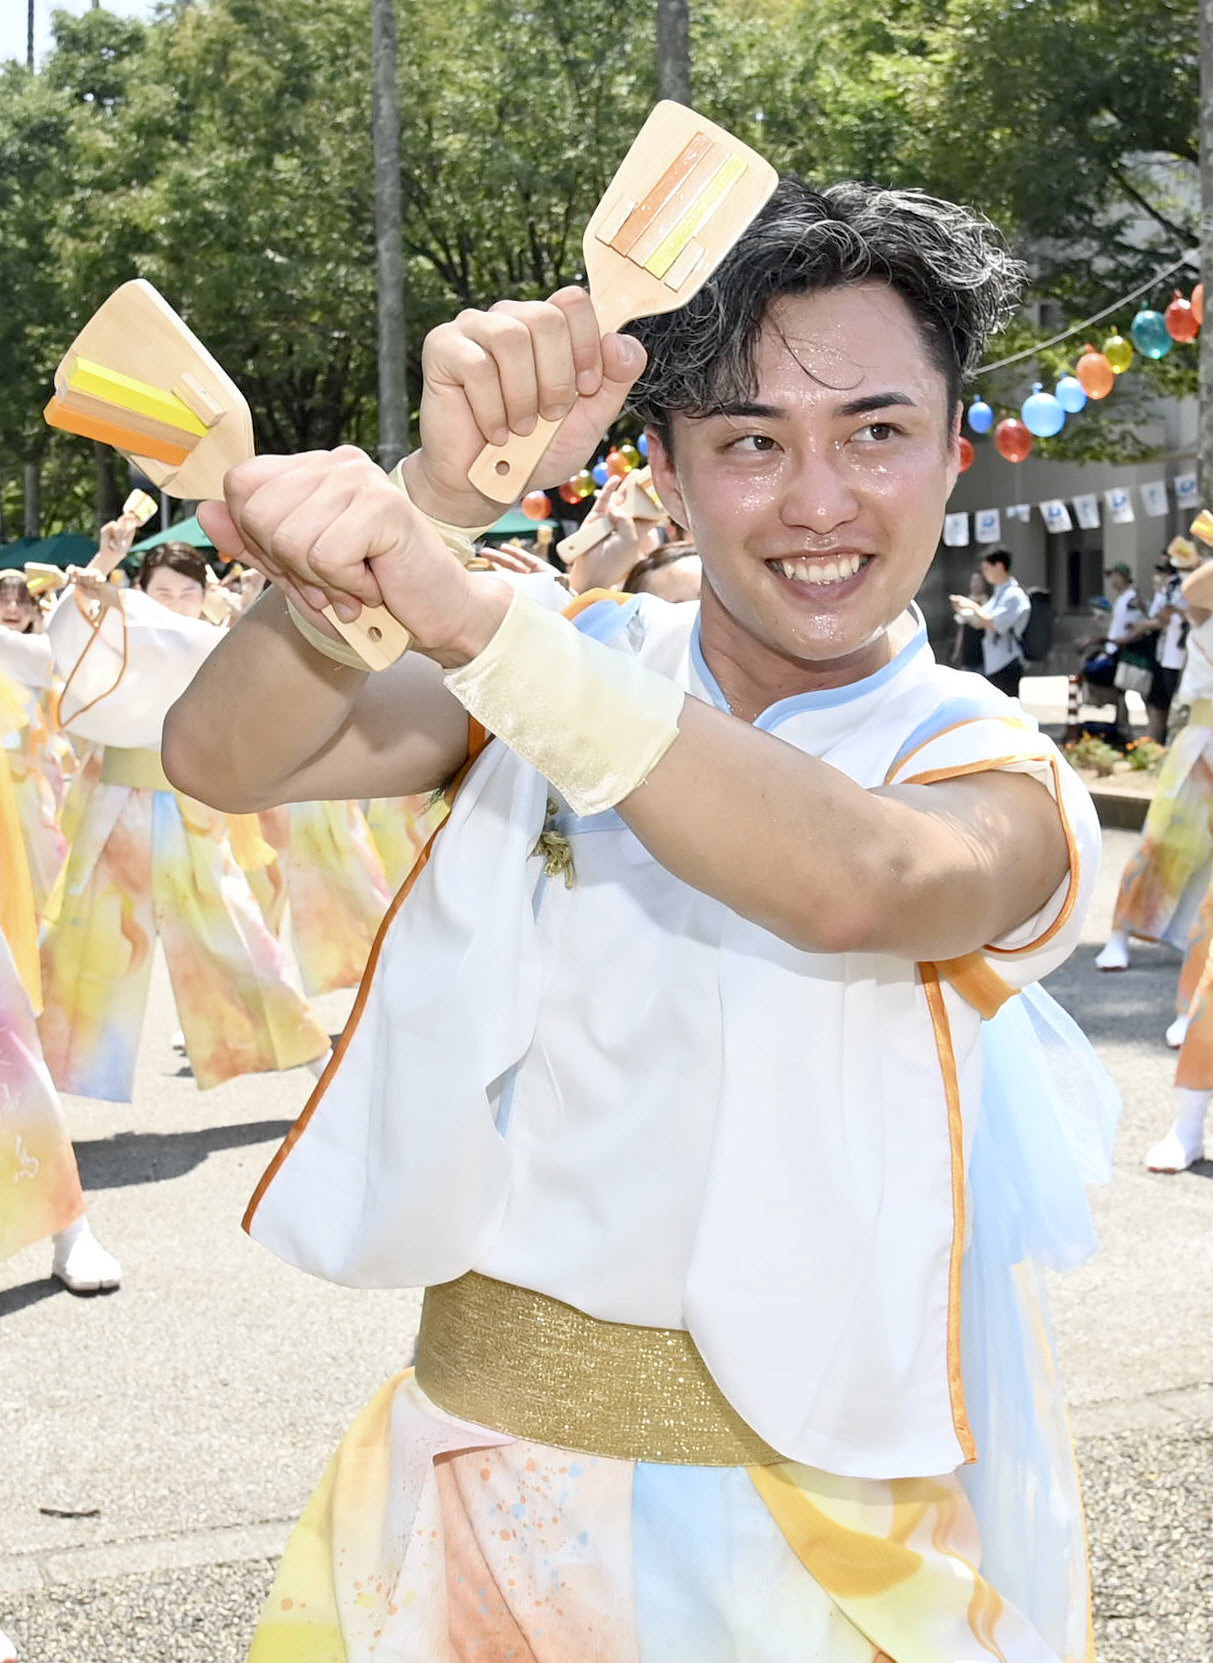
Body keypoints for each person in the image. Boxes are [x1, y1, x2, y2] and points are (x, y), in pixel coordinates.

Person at [164, 178, 1110, 1663]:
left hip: (807, 1549)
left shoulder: (987, 759)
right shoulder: (578, 654)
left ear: (951, 449)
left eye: (875, 431)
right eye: (750, 440)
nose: (818, 502)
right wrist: (434, 497)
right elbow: (223, 756)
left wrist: (476, 621)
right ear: (661, 466)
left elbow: (869, 880)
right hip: (467, 1487)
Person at [37, 528, 331, 1104]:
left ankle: (308, 1053)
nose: (173, 604)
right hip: (115, 808)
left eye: (185, 592)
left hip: (188, 808)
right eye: (161, 593)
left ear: (204, 594)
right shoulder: (122, 631)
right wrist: (105, 563)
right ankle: (41, 1080)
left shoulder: (219, 642)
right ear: (141, 591)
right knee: (80, 940)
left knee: (232, 930)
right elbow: (66, 636)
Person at [1096, 541, 1213, 972]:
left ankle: (1192, 936)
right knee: (1164, 837)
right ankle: (1121, 933)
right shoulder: (1204, 611)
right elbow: (1196, 590)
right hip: (1203, 739)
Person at [948, 546, 1029, 696]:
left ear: (999, 566)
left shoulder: (1013, 594)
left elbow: (994, 622)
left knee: (1006, 707)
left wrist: (971, 605)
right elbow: (981, 621)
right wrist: (964, 611)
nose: (984, 574)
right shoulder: (999, 594)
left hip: (1007, 662)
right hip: (994, 663)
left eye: (986, 568)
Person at [950, 568, 990, 670]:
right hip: (967, 652)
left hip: (982, 652)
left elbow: (983, 622)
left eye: (978, 581)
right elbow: (961, 630)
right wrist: (956, 650)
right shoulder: (966, 601)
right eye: (973, 581)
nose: (975, 584)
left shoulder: (987, 601)